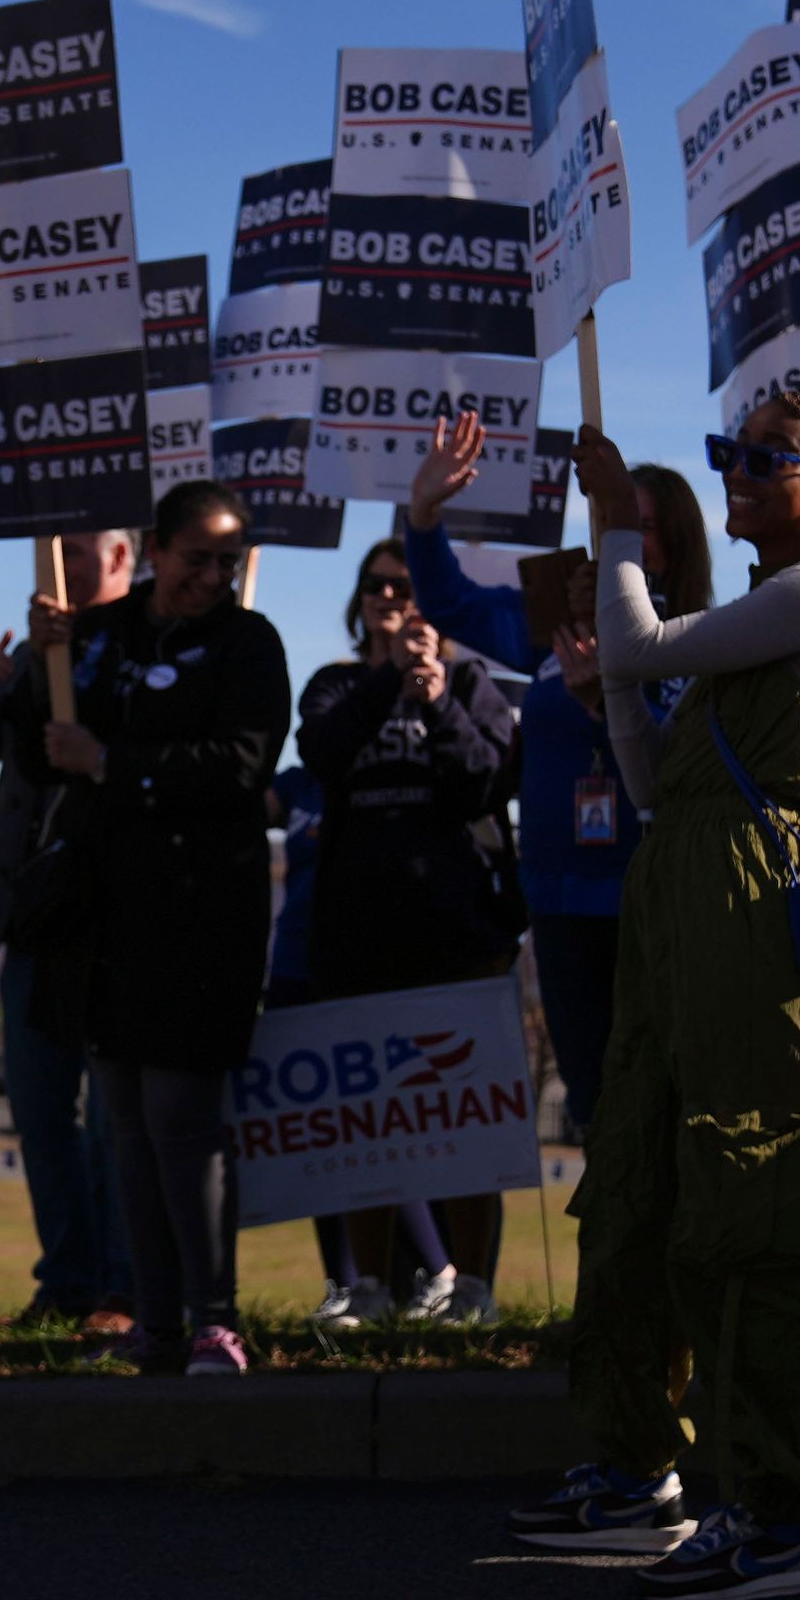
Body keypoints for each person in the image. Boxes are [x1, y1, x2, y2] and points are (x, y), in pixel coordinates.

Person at [507, 391, 800, 1600]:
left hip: (750, 905)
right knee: (634, 1181)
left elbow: (641, 646)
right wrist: (608, 687)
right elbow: (647, 764)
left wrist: (616, 526)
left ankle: (772, 1514)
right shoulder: (748, 618)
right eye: (731, 452)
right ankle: (633, 1466)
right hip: (679, 887)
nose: (735, 471)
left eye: (762, 456)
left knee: (752, 1185)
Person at [29, 481, 291, 1375]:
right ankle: (155, 1319)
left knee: (184, 1118)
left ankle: (215, 1316)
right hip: (108, 913)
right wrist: (43, 667)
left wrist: (114, 763)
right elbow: (44, 747)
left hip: (203, 910)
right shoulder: (99, 636)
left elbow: (244, 763)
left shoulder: (249, 644)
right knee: (128, 1122)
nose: (211, 577)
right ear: (154, 547)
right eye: (196, 559)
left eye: (228, 561)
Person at [401, 416, 716, 1140]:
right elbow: (450, 603)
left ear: (671, 545)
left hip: (647, 898)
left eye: (635, 524)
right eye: (607, 517)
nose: (614, 537)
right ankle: (614, 1250)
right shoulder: (554, 622)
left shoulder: (691, 636)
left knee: (657, 1092)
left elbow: (677, 762)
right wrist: (424, 514)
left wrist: (606, 703)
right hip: (556, 900)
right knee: (591, 1099)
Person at [298, 532, 527, 1321]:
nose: (392, 600)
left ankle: (472, 1288)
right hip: (358, 937)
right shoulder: (334, 685)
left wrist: (434, 700)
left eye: (407, 589)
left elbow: (485, 784)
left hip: (456, 935)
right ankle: (364, 1286)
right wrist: (387, 679)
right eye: (377, 589)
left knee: (468, 1123)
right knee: (365, 1127)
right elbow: (323, 755)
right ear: (357, 604)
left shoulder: (468, 681)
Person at [0, 530, 140, 1335]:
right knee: (42, 1113)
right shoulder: (29, 656)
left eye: (82, 547)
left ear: (125, 557)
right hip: (33, 918)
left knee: (110, 1119)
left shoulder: (142, 643)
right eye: (55, 546)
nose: (61, 560)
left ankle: (122, 1287)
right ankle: (66, 1278)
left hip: (114, 916)